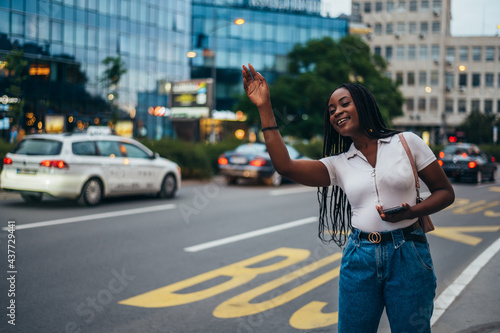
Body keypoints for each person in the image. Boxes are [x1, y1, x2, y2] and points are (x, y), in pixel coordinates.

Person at [242, 63, 455, 333]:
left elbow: (445, 192)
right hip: (360, 256)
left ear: (364, 105)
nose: (337, 112)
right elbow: (285, 166)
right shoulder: (339, 164)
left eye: (344, 104)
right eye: (332, 110)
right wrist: (264, 107)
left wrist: (411, 212)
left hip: (408, 254)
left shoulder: (407, 142)